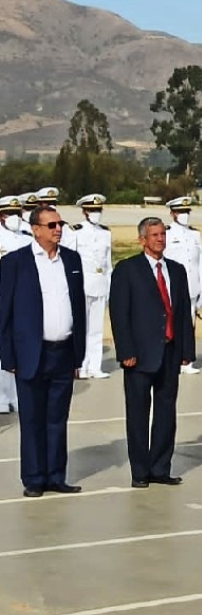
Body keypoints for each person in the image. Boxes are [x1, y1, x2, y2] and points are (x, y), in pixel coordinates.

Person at [0, 205, 86, 497]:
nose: (58, 229)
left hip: (64, 352)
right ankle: (34, 478)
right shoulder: (15, 262)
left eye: (60, 224)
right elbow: (5, 313)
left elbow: (79, 308)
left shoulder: (71, 260)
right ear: (35, 229)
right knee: (33, 419)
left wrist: (79, 351)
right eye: (51, 225)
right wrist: (8, 356)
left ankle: (55, 475)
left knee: (57, 418)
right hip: (31, 354)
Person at [109, 218, 196, 488]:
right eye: (154, 235)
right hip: (140, 354)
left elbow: (182, 314)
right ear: (142, 240)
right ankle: (140, 471)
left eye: (162, 234)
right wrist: (126, 351)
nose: (160, 239)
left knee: (166, 411)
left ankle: (160, 467)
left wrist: (186, 350)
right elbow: (119, 314)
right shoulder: (127, 270)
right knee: (138, 413)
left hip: (169, 352)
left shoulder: (177, 270)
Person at [63, 194, 112, 379]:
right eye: (92, 210)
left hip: (99, 283)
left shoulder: (105, 232)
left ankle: (95, 366)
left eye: (98, 210)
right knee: (81, 328)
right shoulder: (74, 231)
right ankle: (81, 365)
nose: (95, 213)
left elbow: (107, 263)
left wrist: (109, 285)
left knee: (97, 328)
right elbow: (69, 259)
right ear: (84, 212)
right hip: (82, 284)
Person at [163, 196, 202, 374]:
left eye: (187, 212)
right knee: (170, 324)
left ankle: (186, 360)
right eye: (181, 212)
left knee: (188, 325)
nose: (185, 215)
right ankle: (171, 359)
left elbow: (200, 263)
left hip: (192, 286)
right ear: (173, 214)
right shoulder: (166, 233)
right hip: (172, 287)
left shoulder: (195, 234)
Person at [0, 195, 32, 413]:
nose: (15, 218)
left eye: (18, 214)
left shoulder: (27, 237)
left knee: (21, 348)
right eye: (10, 214)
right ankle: (2, 398)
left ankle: (18, 396)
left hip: (22, 299)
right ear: (2, 216)